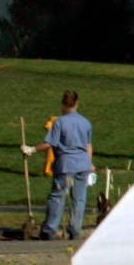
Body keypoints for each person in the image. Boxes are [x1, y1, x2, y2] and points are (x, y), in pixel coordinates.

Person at [35, 91, 93, 240]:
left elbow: (50, 143)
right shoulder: (85, 122)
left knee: (57, 197)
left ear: (63, 104)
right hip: (83, 164)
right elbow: (88, 145)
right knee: (79, 198)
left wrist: (32, 149)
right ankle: (75, 229)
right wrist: (89, 162)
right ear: (77, 103)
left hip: (66, 163)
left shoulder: (60, 122)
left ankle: (49, 229)